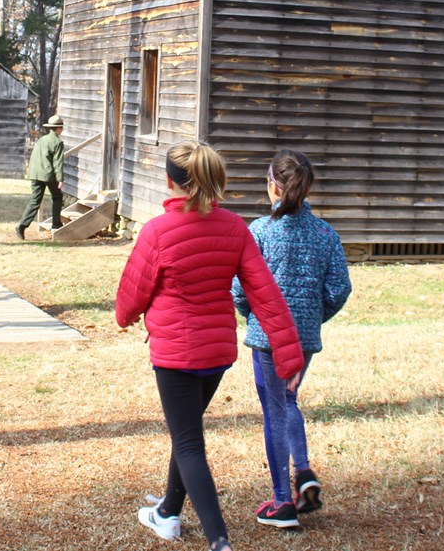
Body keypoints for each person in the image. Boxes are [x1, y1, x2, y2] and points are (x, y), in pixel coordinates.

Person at [116, 141, 304, 551]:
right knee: (187, 433)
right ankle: (167, 511)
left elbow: (130, 299)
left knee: (188, 443)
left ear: (169, 181)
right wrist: (290, 354)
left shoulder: (157, 231)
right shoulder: (234, 227)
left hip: (176, 354)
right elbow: (266, 294)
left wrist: (125, 317)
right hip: (216, 353)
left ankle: (219, 541)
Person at [232, 149, 352, 530]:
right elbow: (339, 288)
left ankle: (283, 501)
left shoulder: (260, 231)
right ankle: (303, 474)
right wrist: (312, 319)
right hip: (304, 338)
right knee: (288, 400)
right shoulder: (325, 233)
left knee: (274, 410)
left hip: (267, 336)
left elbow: (239, 287)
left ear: (272, 185)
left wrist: (251, 316)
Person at [15, 114, 65, 240]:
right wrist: (60, 178)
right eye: (61, 127)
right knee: (57, 196)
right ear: (58, 128)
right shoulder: (57, 142)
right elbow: (57, 162)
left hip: (35, 173)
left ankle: (22, 225)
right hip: (48, 174)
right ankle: (56, 224)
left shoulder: (42, 140)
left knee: (35, 200)